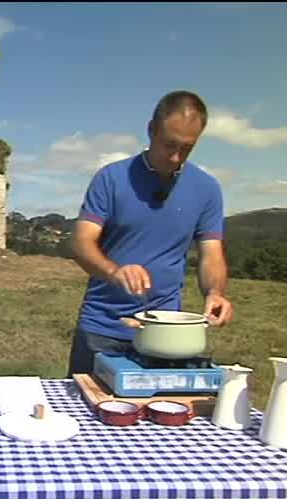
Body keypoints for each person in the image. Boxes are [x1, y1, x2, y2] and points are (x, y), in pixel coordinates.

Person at [66, 90, 233, 376]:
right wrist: (114, 271)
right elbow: (82, 242)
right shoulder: (111, 178)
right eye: (169, 144)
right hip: (102, 329)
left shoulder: (207, 189)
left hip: (165, 335)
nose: (176, 156)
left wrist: (216, 292)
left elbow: (211, 253)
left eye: (187, 148)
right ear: (151, 130)